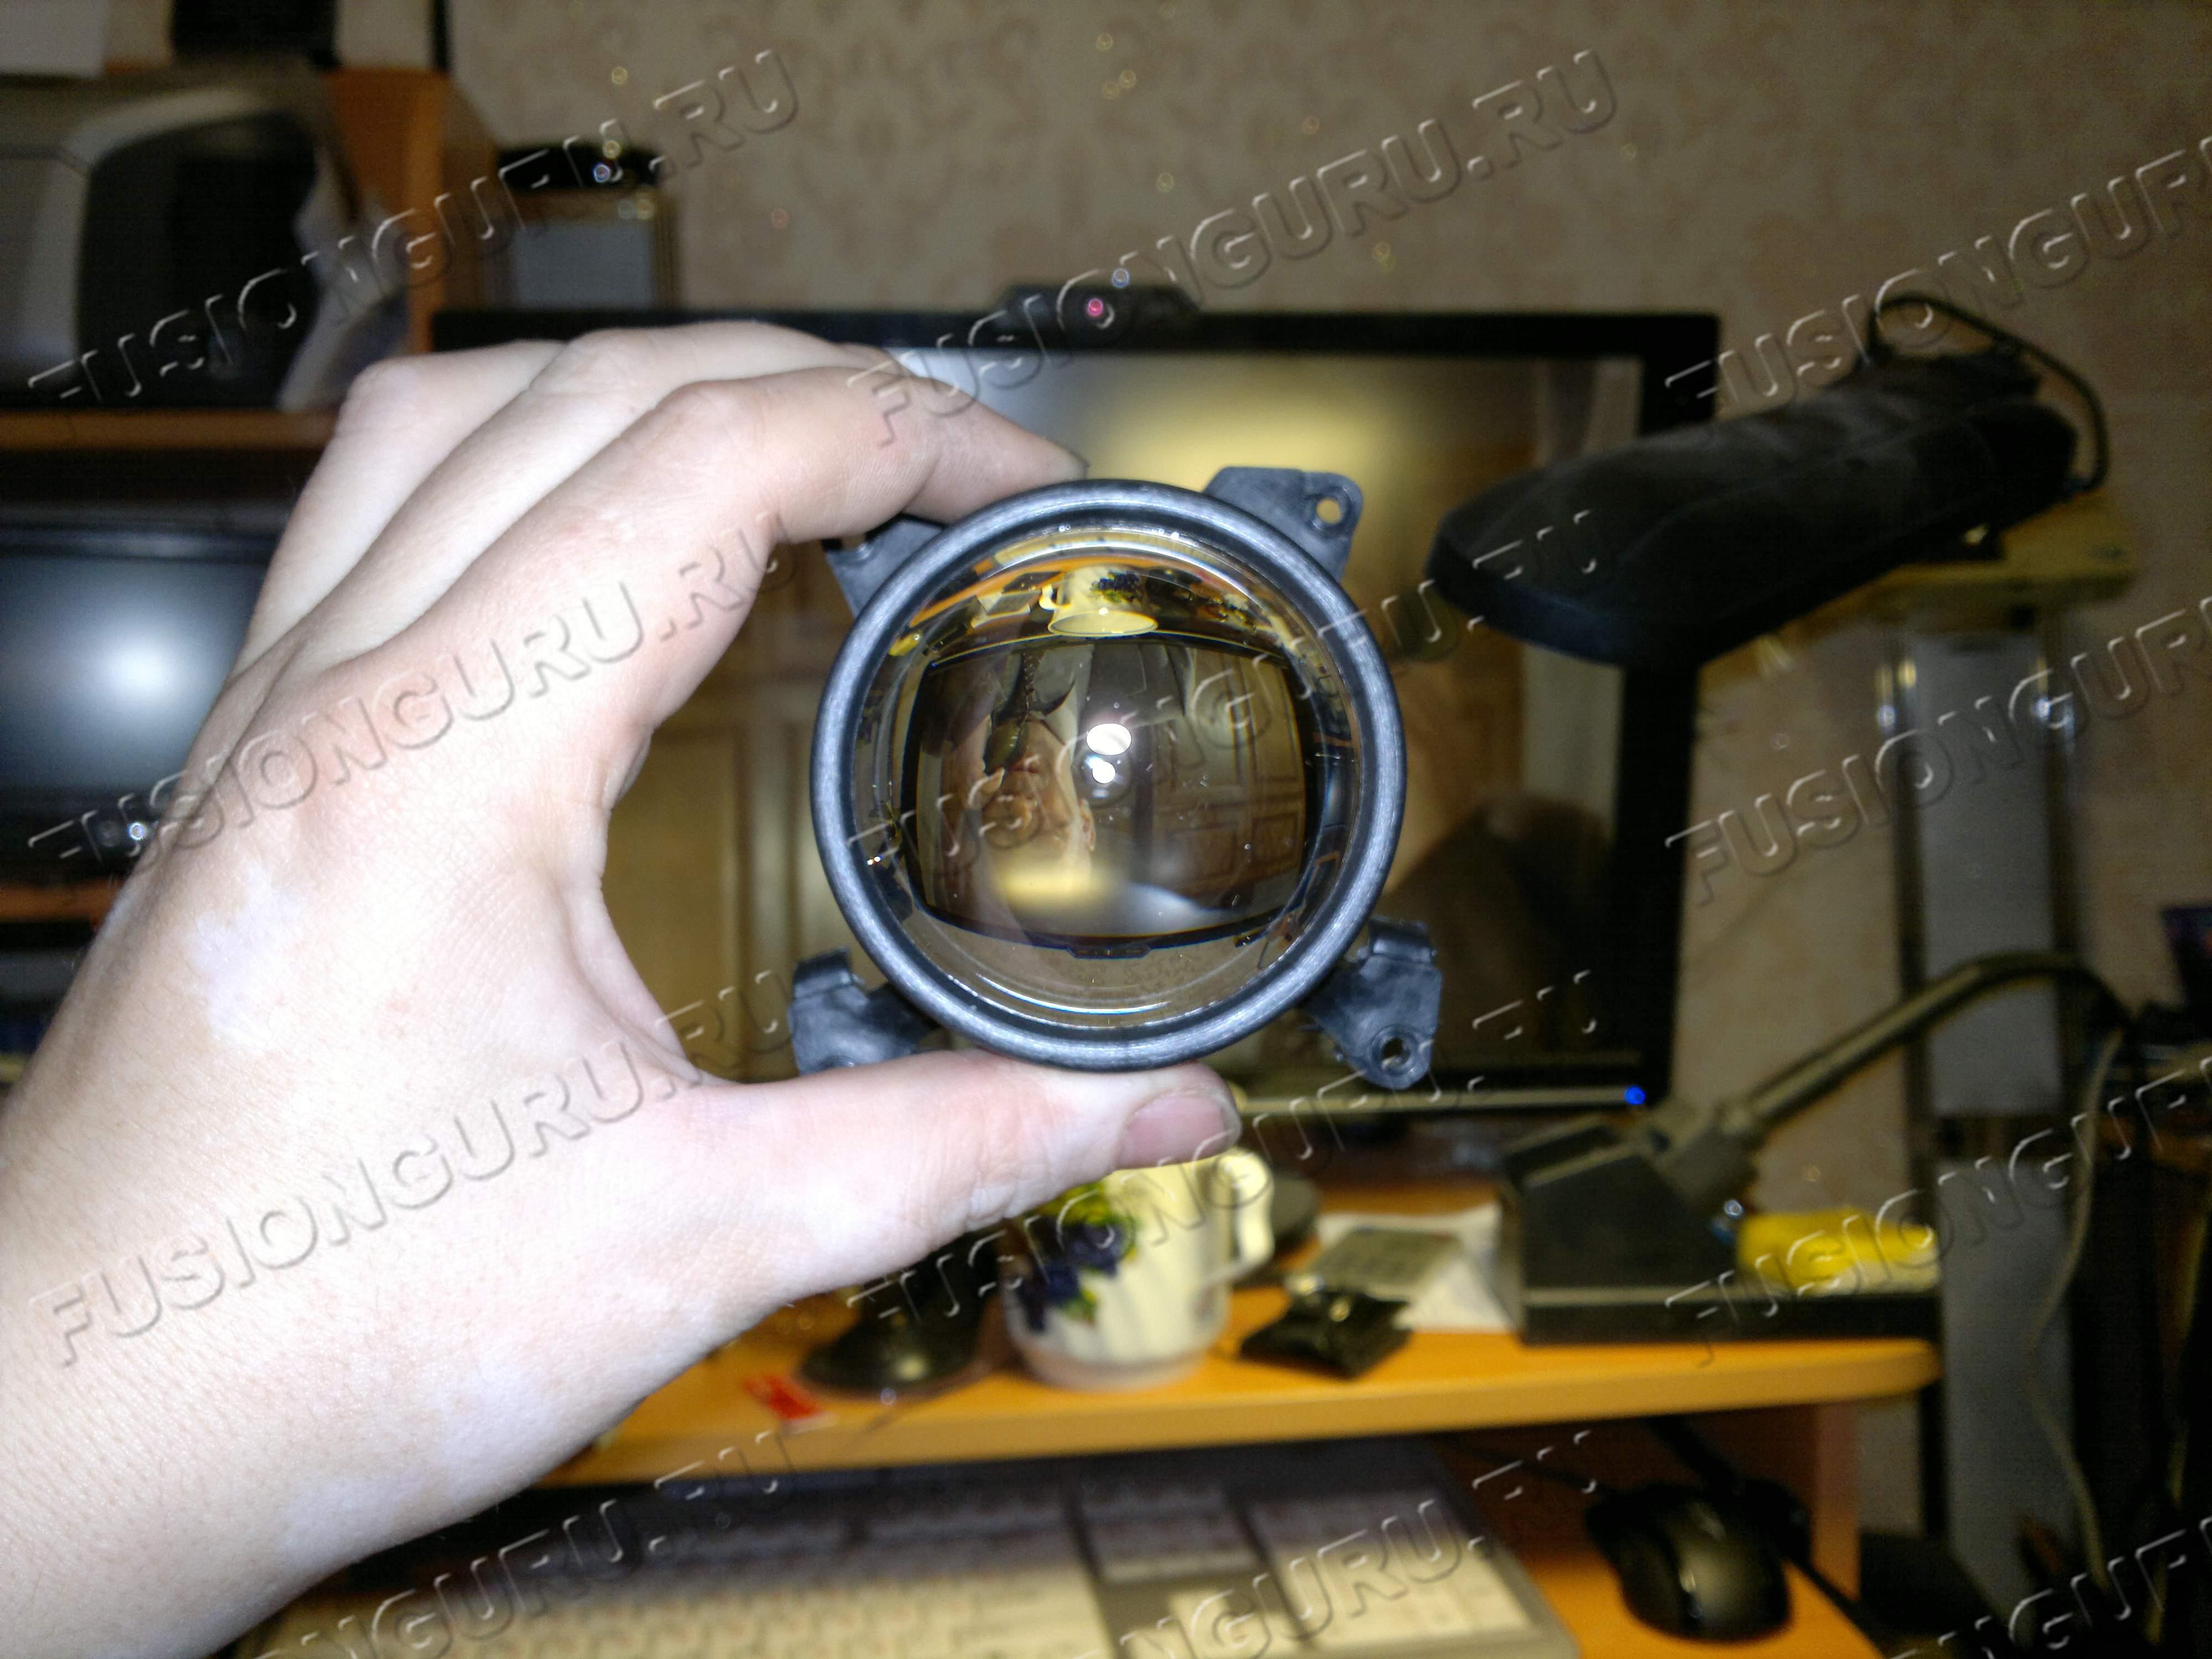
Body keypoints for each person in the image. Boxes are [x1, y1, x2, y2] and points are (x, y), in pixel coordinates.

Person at [0, 325, 1238, 1656]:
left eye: (1061, 779)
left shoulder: (1159, 915)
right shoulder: (975, 864)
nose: (1035, 796)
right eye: (1013, 772)